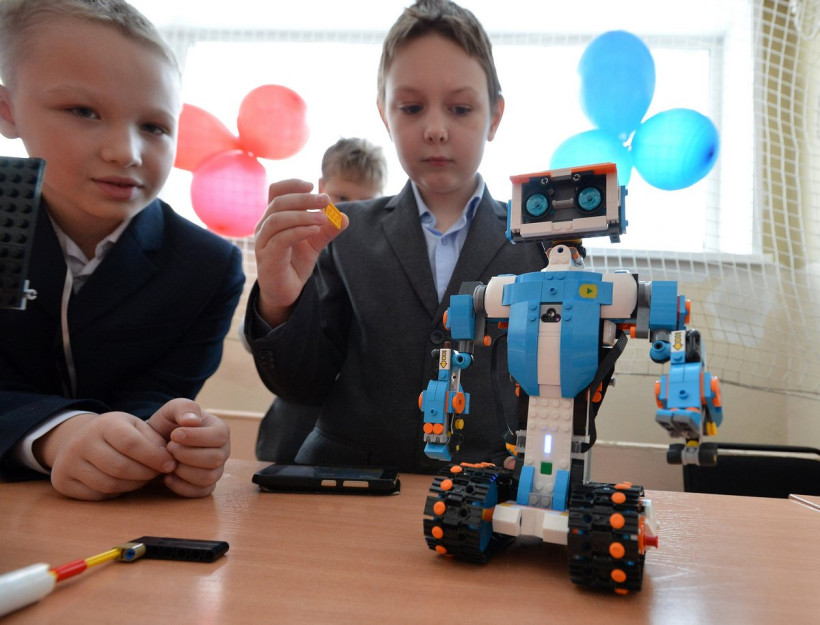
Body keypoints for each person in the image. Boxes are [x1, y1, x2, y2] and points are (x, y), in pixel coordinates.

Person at [245, 0, 545, 473]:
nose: (435, 130)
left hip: (486, 486)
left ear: (494, 116)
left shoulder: (541, 247)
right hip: (348, 484)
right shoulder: (339, 232)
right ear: (385, 115)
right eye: (411, 107)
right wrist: (279, 303)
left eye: (460, 108)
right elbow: (303, 387)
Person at [0, 0, 245, 500]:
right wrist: (55, 433)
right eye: (83, 111)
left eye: (154, 126)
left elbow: (154, 398)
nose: (125, 152)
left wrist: (174, 437)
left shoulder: (208, 268)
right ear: (8, 111)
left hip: (119, 520)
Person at [257, 137, 387, 462]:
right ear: (321, 189)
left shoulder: (382, 256)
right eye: (341, 199)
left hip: (360, 433)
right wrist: (275, 304)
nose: (348, 211)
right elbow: (264, 343)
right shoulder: (296, 244)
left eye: (364, 202)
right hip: (295, 419)